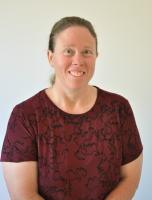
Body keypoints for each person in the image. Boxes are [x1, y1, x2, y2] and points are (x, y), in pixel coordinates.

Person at [1, 16, 143, 200]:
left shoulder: (119, 108)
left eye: (87, 52)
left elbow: (130, 179)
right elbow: (23, 195)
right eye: (68, 51)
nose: (78, 60)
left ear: (96, 57)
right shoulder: (25, 116)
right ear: (50, 57)